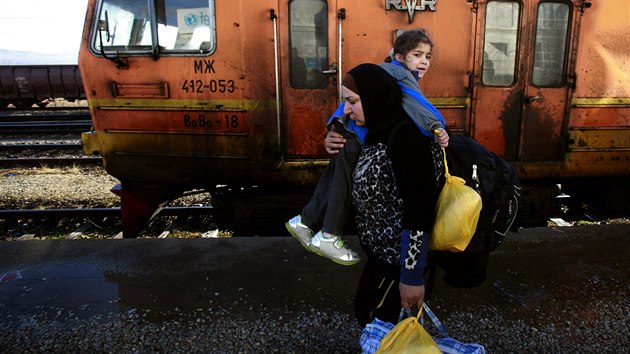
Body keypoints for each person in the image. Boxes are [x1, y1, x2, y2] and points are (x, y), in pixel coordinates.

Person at [285, 30, 448, 266]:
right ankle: (329, 233)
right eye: (417, 54)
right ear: (399, 57)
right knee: (342, 181)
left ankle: (305, 221)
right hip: (357, 136)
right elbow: (418, 105)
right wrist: (437, 126)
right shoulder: (397, 74)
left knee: (336, 176)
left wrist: (336, 125)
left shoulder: (390, 74)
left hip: (353, 135)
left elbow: (351, 100)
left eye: (428, 56)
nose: (424, 61)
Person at [344, 63, 445, 327]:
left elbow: (419, 210)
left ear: (374, 97)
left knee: (380, 321)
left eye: (352, 101)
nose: (346, 110)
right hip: (382, 256)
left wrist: (411, 276)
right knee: (371, 316)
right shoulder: (379, 131)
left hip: (399, 262)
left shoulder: (406, 138)